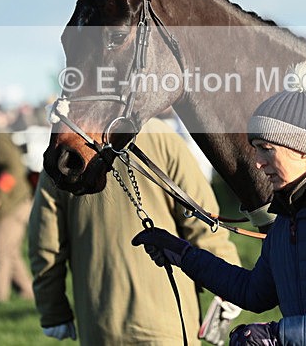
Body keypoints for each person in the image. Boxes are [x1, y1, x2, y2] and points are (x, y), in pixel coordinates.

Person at [133, 61, 306, 346]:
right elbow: (253, 292)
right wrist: (184, 255)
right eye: (256, 150)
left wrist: (277, 335)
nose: (259, 163)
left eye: (267, 149)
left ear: (304, 150)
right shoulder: (285, 222)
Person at [29, 117, 243, 345]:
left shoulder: (66, 152)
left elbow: (45, 242)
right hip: (169, 320)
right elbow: (202, 218)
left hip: (101, 321)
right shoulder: (161, 136)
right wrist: (229, 282)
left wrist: (52, 309)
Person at [0, 107, 34, 303]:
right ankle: (29, 293)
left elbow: (14, 168)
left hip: (12, 204)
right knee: (10, 252)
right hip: (16, 202)